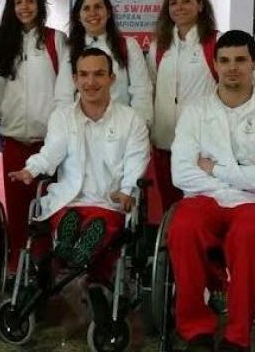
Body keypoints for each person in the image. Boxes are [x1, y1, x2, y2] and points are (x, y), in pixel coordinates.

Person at [167, 30, 255, 352]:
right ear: (215, 65)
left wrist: (217, 169)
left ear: (254, 64)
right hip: (206, 199)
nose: (232, 67)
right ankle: (196, 329)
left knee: (247, 234)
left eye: (240, 60)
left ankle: (238, 336)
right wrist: (251, 173)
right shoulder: (195, 112)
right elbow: (181, 173)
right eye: (225, 60)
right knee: (183, 227)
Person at [8, 47, 150, 294]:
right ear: (75, 79)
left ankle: (76, 256)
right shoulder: (62, 117)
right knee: (68, 220)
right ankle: (68, 247)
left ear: (111, 78)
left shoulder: (131, 120)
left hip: (108, 203)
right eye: (84, 75)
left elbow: (137, 161)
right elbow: (51, 152)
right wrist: (31, 169)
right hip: (68, 201)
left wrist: (128, 191)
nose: (90, 82)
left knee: (100, 225)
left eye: (98, 74)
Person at [0, 0, 72, 270]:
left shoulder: (55, 40)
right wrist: (9, 117)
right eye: (18, 2)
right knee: (17, 204)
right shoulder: (3, 45)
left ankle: (43, 263)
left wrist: (55, 128)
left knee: (46, 206)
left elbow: (64, 91)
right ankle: (15, 261)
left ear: (39, 5)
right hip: (13, 139)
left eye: (29, 1)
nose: (24, 7)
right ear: (12, 8)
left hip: (46, 141)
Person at [148, 0, 218, 212]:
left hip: (202, 146)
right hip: (165, 144)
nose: (179, 7)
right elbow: (151, 90)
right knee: (170, 208)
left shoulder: (215, 43)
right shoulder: (159, 46)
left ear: (200, 5)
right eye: (173, 3)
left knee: (198, 209)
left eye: (186, 1)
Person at [60, 0, 152, 128]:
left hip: (121, 130)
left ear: (108, 12)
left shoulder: (128, 46)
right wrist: (64, 129)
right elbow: (63, 97)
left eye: (98, 7)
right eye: (86, 8)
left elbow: (141, 92)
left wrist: (139, 129)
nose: (93, 13)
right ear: (78, 16)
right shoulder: (70, 50)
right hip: (81, 131)